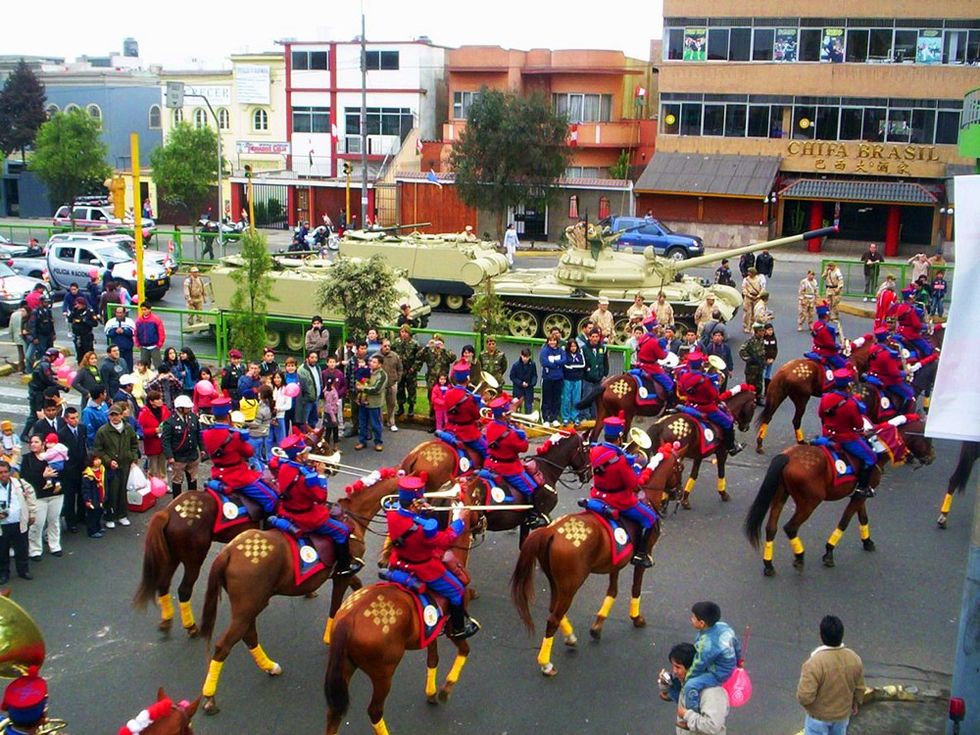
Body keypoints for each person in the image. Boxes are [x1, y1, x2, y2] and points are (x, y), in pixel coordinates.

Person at [385, 475, 480, 639]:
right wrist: (460, 521)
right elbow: (445, 540)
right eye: (420, 500)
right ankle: (458, 629)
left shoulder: (392, 514)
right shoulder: (423, 529)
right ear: (415, 503)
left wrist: (421, 512)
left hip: (399, 560)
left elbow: (409, 518)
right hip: (423, 567)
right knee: (457, 590)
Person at [267, 434, 362, 576]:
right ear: (299, 456)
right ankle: (343, 566)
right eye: (305, 453)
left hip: (286, 510)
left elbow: (274, 463)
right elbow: (321, 497)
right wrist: (321, 475)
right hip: (305, 516)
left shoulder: (283, 466)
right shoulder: (305, 477)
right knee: (342, 530)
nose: (308, 455)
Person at [588, 416, 657, 567]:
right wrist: (637, 468)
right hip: (618, 501)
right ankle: (640, 554)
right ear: (620, 436)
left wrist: (622, 456)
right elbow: (633, 484)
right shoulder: (621, 462)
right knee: (650, 518)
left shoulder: (595, 450)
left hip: (597, 495)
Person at [201, 397, 278, 513]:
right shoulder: (235, 436)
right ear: (228, 415)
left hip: (217, 474)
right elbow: (249, 452)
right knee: (272, 498)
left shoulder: (206, 434)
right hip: (237, 477)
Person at [484, 396, 548, 528]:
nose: (510, 416)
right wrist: (523, 432)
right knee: (532, 488)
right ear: (502, 415)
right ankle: (532, 517)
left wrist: (511, 427)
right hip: (508, 468)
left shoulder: (490, 426)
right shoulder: (512, 435)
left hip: (490, 464)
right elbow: (524, 448)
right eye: (508, 414)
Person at [797, 615, 865, 735]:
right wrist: (855, 703)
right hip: (842, 716)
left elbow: (805, 697)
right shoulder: (854, 658)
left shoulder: (814, 663)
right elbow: (859, 688)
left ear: (821, 635)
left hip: (818, 718)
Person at [819, 369, 876, 499]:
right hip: (845, 439)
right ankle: (862, 488)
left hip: (827, 435)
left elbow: (821, 415)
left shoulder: (825, 398)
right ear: (848, 385)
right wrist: (862, 431)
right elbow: (858, 425)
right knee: (871, 457)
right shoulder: (851, 404)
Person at [682, 601, 742, 716]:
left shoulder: (708, 645)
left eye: (693, 618)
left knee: (691, 685)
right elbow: (736, 644)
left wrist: (687, 677)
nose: (691, 619)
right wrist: (739, 660)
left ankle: (692, 714)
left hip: (718, 673)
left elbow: (699, 664)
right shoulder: (723, 626)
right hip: (728, 664)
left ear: (702, 623)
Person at [677, 352, 743, 455]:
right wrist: (716, 384)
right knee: (728, 423)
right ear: (701, 364)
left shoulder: (684, 376)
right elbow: (714, 397)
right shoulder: (706, 380)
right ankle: (731, 447)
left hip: (690, 405)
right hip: (706, 409)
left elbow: (682, 390)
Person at [660, 642, 730, 735]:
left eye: (678, 667)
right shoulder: (687, 682)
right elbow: (676, 697)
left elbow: (712, 726)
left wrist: (687, 715)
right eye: (673, 666)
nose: (674, 671)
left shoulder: (712, 693)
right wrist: (666, 683)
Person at [93, 403, 140, 528]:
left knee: (123, 490)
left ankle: (122, 515)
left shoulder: (128, 428)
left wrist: (133, 457)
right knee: (111, 492)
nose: (114, 417)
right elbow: (98, 450)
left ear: (121, 415)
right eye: (111, 415)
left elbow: (134, 444)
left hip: (125, 464)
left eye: (116, 415)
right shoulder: (103, 431)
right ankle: (110, 517)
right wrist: (108, 461)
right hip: (110, 467)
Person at [21, 435, 62, 560]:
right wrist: (42, 476)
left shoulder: (53, 455)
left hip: (55, 494)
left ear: (43, 443)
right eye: (31, 442)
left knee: (54, 521)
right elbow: (25, 478)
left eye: (36, 442)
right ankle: (35, 550)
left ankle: (54, 545)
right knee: (37, 524)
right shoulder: (27, 459)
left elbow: (62, 470)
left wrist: (55, 474)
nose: (33, 444)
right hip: (37, 496)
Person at [0, 460, 35, 583]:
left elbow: (31, 495)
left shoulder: (19, 483)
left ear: (10, 472)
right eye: (0, 472)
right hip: (2, 525)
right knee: (2, 551)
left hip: (18, 522)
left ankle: (23, 570)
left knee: (22, 549)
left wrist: (32, 513)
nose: (3, 475)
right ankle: (3, 573)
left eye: (5, 472)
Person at [160, 395, 202, 497]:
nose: (189, 409)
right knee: (177, 481)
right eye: (187, 407)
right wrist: (169, 456)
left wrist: (202, 449)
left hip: (192, 455)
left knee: (193, 479)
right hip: (178, 457)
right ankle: (176, 500)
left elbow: (198, 434)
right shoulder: (170, 422)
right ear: (179, 408)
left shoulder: (193, 417)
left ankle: (193, 499)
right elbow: (166, 441)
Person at [866, 327, 913, 414]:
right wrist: (905, 372)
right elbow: (894, 373)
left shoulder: (872, 348)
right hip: (887, 381)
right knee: (910, 394)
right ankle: (903, 415)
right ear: (887, 339)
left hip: (872, 376)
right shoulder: (887, 355)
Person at [355, 355, 388, 452]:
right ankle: (362, 441)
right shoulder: (367, 371)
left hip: (374, 403)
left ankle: (378, 442)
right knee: (362, 422)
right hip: (363, 402)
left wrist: (363, 388)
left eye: (374, 362)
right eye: (371, 361)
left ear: (380, 364)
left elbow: (377, 389)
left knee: (375, 424)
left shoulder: (382, 375)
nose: (371, 364)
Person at [138, 390, 171, 483]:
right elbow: (141, 430)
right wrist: (154, 430)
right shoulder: (144, 412)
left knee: (163, 466)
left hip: (164, 443)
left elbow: (169, 422)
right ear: (151, 401)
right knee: (153, 467)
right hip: (152, 444)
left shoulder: (164, 409)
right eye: (157, 399)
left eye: (160, 398)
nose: (160, 400)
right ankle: (153, 485)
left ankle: (164, 483)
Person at [421, 336, 456, 419]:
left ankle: (444, 419)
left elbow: (453, 358)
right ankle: (433, 419)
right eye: (435, 341)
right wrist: (427, 346)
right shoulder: (429, 352)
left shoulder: (446, 352)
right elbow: (419, 356)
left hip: (443, 381)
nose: (437, 344)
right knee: (432, 400)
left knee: (444, 399)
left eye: (439, 342)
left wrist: (443, 349)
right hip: (431, 380)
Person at [581, 329, 608, 420]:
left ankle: (594, 417)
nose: (595, 339)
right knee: (587, 397)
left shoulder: (602, 348)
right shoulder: (584, 348)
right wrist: (586, 371)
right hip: (588, 379)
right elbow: (583, 362)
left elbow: (605, 362)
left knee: (597, 399)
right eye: (593, 337)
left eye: (597, 337)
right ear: (589, 337)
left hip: (599, 378)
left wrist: (604, 374)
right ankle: (585, 416)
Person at [809, 303, 846, 370]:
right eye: (829, 315)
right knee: (846, 367)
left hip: (816, 349)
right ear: (826, 315)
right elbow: (830, 344)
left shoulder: (816, 324)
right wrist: (840, 346)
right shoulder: (824, 328)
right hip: (827, 353)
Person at [539, 333, 565, 426]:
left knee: (556, 399)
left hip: (558, 378)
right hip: (548, 378)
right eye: (550, 340)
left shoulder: (561, 350)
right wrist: (556, 364)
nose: (552, 342)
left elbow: (563, 360)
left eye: (554, 340)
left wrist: (554, 362)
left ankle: (554, 418)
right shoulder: (544, 351)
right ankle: (545, 418)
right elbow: (544, 362)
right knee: (547, 399)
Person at [379, 339, 403, 432]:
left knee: (392, 404)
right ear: (381, 346)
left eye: (389, 346)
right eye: (385, 346)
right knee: (380, 405)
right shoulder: (377, 356)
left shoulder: (395, 356)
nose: (387, 348)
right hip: (380, 385)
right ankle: (379, 424)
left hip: (392, 384)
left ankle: (391, 423)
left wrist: (398, 379)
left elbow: (400, 368)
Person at [739, 323, 767, 401]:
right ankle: (749, 400)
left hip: (759, 366)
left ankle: (758, 398)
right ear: (756, 332)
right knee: (750, 385)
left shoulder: (761, 340)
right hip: (751, 368)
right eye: (760, 331)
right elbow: (741, 350)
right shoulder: (750, 341)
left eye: (763, 331)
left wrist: (763, 361)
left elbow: (762, 352)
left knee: (759, 384)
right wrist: (749, 359)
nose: (762, 333)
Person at [81, 453, 106, 538]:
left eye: (99, 459)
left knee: (99, 512)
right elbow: (85, 489)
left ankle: (98, 527)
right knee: (92, 514)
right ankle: (92, 531)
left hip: (100, 495)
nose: (98, 461)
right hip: (92, 497)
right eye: (95, 459)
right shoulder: (87, 475)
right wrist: (87, 499)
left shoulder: (102, 470)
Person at [103, 306, 136, 370]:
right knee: (117, 368)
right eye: (117, 313)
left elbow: (134, 332)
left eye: (121, 313)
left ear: (124, 313)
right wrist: (115, 331)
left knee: (128, 367)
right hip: (115, 350)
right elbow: (107, 333)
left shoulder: (130, 321)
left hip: (127, 350)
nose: (119, 314)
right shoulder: (110, 322)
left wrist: (124, 331)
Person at [134, 302, 166, 369]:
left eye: (145, 309)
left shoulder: (156, 319)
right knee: (144, 367)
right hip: (143, 347)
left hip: (154, 346)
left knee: (158, 366)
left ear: (149, 309)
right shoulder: (138, 320)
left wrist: (159, 345)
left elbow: (161, 333)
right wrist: (138, 344)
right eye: (142, 310)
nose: (143, 311)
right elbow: (136, 333)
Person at [298, 351, 323, 431]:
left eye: (316, 357)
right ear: (307, 358)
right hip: (307, 400)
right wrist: (305, 398)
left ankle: (312, 439)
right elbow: (301, 386)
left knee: (314, 420)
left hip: (316, 398)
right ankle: (304, 439)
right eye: (312, 357)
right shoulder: (302, 369)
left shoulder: (318, 367)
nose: (314, 359)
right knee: (304, 421)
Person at [7, 300, 29, 374]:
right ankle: (28, 367)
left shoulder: (14, 315)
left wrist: (11, 337)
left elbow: (11, 327)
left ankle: (21, 368)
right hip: (26, 337)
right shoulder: (28, 314)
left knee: (21, 353)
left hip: (17, 337)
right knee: (28, 352)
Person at [741, 267, 765, 334]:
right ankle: (746, 326)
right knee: (747, 313)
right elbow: (744, 289)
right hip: (748, 297)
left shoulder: (759, 279)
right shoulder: (746, 280)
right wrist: (749, 295)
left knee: (756, 313)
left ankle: (754, 327)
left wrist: (759, 296)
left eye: (750, 272)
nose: (748, 273)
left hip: (757, 297)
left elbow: (762, 288)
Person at [762, 322, 778, 396]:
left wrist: (773, 358)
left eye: (771, 330)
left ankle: (767, 390)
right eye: (768, 330)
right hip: (764, 361)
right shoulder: (763, 339)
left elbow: (775, 349)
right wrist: (765, 360)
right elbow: (762, 350)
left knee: (768, 376)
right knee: (762, 375)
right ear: (765, 331)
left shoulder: (774, 338)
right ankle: (760, 391)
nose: (770, 331)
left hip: (771, 360)